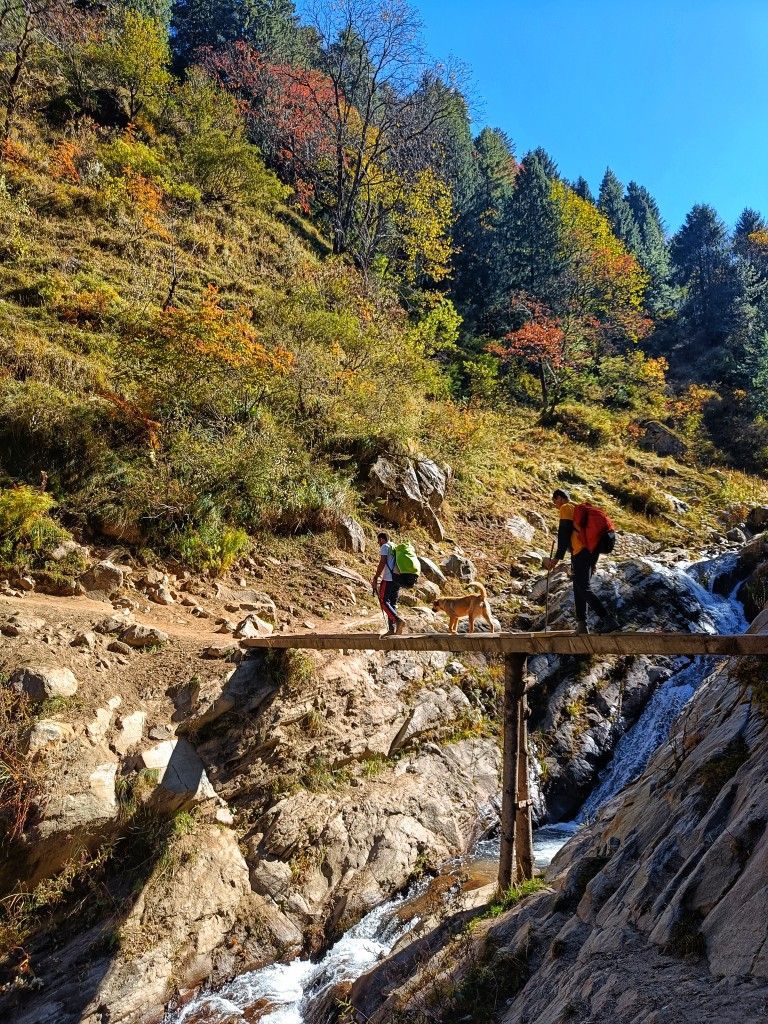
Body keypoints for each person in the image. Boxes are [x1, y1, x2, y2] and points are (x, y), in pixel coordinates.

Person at [542, 489, 619, 634]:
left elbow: (563, 537)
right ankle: (582, 625)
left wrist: (556, 559)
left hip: (581, 552)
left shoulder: (566, 508)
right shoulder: (580, 510)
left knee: (583, 587)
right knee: (579, 587)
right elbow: (590, 539)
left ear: (559, 498)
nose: (555, 505)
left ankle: (608, 619)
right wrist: (593, 563)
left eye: (554, 501)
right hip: (590, 551)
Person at [372, 531, 405, 635]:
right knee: (392, 603)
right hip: (398, 579)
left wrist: (376, 577)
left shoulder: (385, 546)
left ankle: (398, 620)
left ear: (382, 539)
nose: (379, 544)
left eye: (378, 541)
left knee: (383, 601)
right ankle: (392, 629)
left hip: (388, 579)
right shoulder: (395, 546)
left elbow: (382, 562)